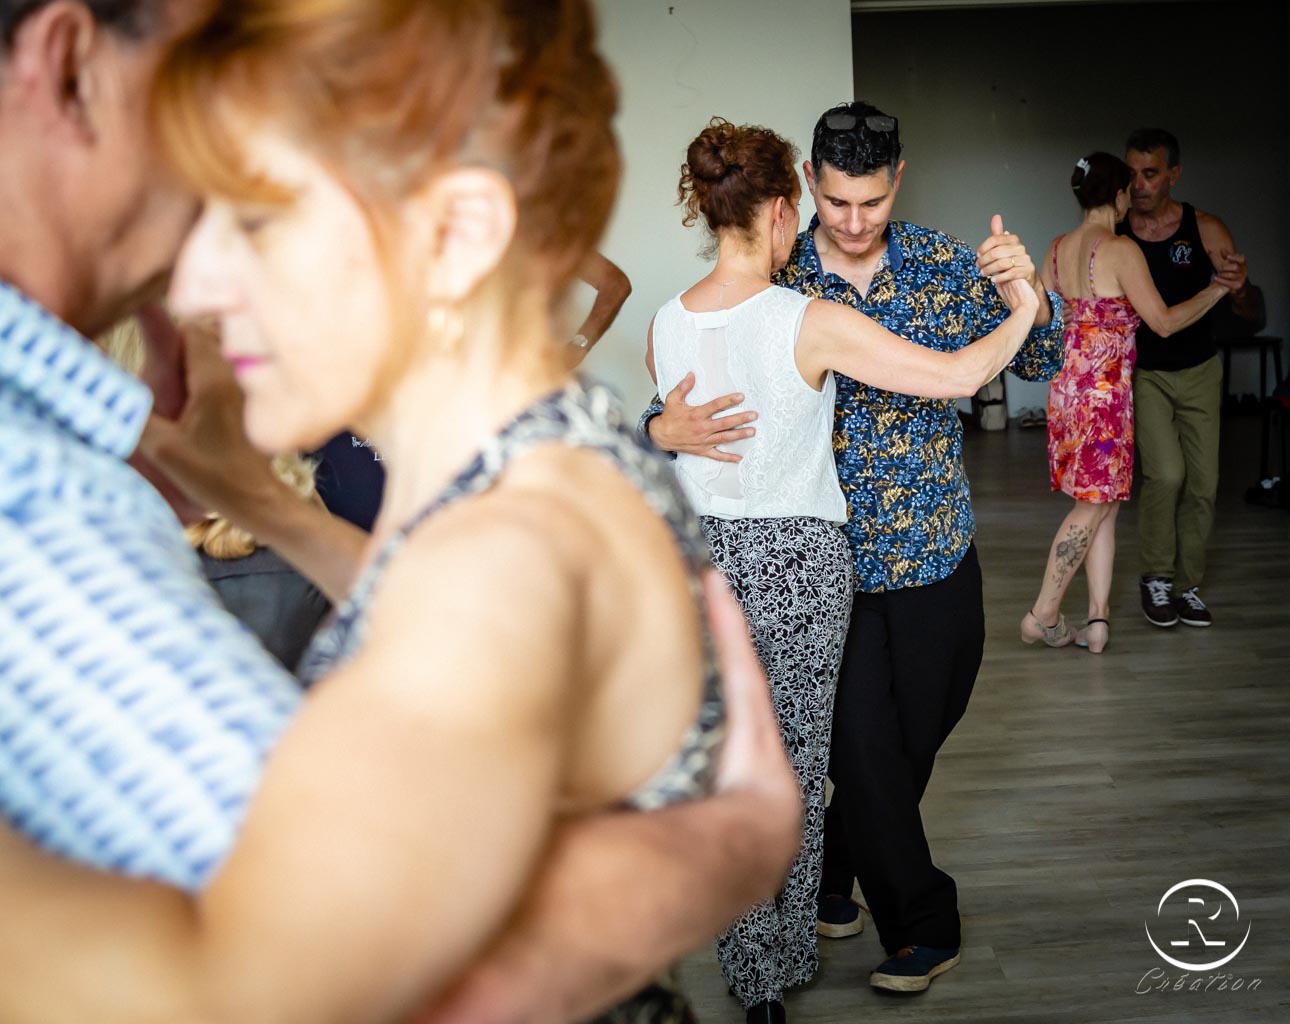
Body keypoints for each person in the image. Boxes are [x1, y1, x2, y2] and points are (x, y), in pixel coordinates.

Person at [0, 2, 802, 1021]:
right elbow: (418, 594)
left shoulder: (503, 555)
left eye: (251, 220)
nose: (194, 283)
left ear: (459, 235)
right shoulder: (555, 455)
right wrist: (260, 502)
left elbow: (267, 999)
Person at [644, 99, 1066, 996]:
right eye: (836, 202)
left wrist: (1029, 290)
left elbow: (1040, 359)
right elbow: (703, 367)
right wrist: (658, 424)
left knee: (919, 733)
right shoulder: (779, 282)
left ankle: (833, 869)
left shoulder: (944, 265)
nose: (854, 220)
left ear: (896, 181)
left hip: (935, 551)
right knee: (862, 753)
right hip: (826, 572)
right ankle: (924, 920)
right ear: (805, 191)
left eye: (870, 202)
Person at [1023, 153, 1230, 653]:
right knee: (1090, 508)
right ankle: (1043, 613)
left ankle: (1097, 621)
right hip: (1105, 398)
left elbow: (1035, 315)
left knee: (1105, 508)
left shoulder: (1055, 250)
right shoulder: (1120, 250)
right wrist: (1216, 289)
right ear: (1117, 197)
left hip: (1068, 391)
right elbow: (1162, 321)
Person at [1120, 128, 1256, 628]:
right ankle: (1156, 576)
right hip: (1145, 373)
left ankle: (1187, 585)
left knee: (1203, 482)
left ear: (1173, 175)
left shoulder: (1205, 228)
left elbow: (1250, 310)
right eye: (1131, 173)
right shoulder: (1116, 231)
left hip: (1199, 370)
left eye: (1150, 173)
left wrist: (1240, 290)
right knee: (1166, 474)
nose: (1139, 184)